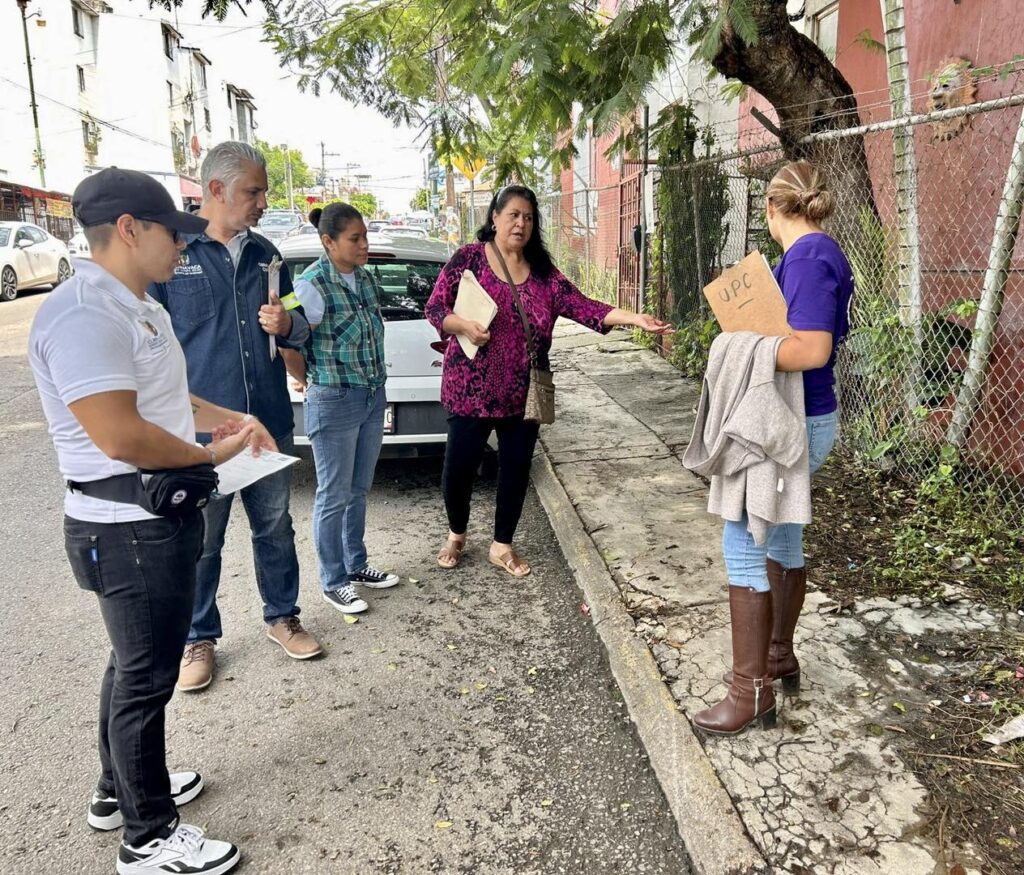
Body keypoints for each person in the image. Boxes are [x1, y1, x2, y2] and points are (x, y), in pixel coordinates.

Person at [29, 167, 273, 874]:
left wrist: (222, 416)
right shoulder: (84, 314)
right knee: (146, 676)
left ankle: (120, 790)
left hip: (147, 520)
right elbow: (121, 435)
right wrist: (211, 452)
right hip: (125, 525)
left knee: (133, 664)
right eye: (175, 232)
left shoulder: (138, 305)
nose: (184, 247)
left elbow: (165, 394)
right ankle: (149, 834)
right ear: (131, 229)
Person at [425, 184, 672, 576]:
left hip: (524, 392)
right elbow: (435, 307)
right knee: (459, 467)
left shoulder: (543, 275)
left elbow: (585, 307)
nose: (521, 223)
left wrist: (635, 319)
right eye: (513, 215)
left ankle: (501, 544)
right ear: (494, 218)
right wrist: (463, 327)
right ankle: (456, 533)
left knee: (517, 468)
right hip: (470, 387)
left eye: (528, 216)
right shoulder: (468, 259)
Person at [148, 141, 321, 693]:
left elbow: (301, 329)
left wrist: (288, 328)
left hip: (266, 422)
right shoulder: (173, 260)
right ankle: (198, 638)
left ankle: (282, 617)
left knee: (274, 525)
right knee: (202, 539)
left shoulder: (271, 258)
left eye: (264, 190)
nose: (263, 201)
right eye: (254, 191)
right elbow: (150, 345)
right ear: (216, 191)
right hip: (202, 436)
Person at [690, 160, 854, 735]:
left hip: (789, 422)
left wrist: (740, 345)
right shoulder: (816, 254)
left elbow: (810, 349)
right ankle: (779, 656)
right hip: (804, 418)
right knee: (782, 532)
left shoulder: (807, 258)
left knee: (741, 538)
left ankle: (749, 693)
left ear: (769, 207)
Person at [281, 204, 400, 615]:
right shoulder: (310, 284)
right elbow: (289, 344)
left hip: (371, 396)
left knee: (358, 489)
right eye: (355, 238)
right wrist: (308, 380)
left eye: (364, 235)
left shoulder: (365, 279)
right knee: (332, 495)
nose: (364, 244)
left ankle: (356, 564)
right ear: (328, 242)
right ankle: (333, 581)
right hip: (334, 399)